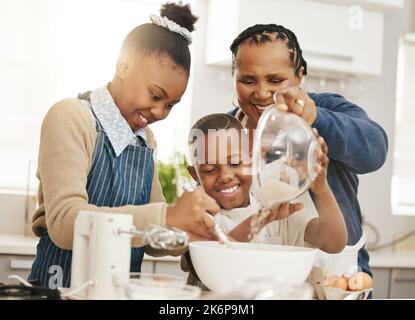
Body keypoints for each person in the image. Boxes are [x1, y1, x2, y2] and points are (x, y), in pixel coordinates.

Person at [28, 2, 220, 288]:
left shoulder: (145, 141)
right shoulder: (72, 117)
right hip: (60, 289)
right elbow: (65, 223)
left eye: (170, 105)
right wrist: (167, 216)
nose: (160, 113)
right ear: (124, 65)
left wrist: (185, 231)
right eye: (156, 95)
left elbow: (152, 236)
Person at [228, 24, 388, 276]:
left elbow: (375, 151)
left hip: (333, 275)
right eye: (248, 80)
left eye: (276, 80)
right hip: (256, 277)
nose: (261, 92)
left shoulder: (328, 109)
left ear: (299, 76)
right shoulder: (224, 130)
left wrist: (317, 118)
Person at [181, 113, 347, 289]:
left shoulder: (274, 207)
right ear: (195, 174)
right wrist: (259, 220)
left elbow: (334, 243)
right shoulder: (195, 215)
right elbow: (215, 259)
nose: (225, 176)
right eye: (210, 169)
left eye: (236, 162)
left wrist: (321, 189)